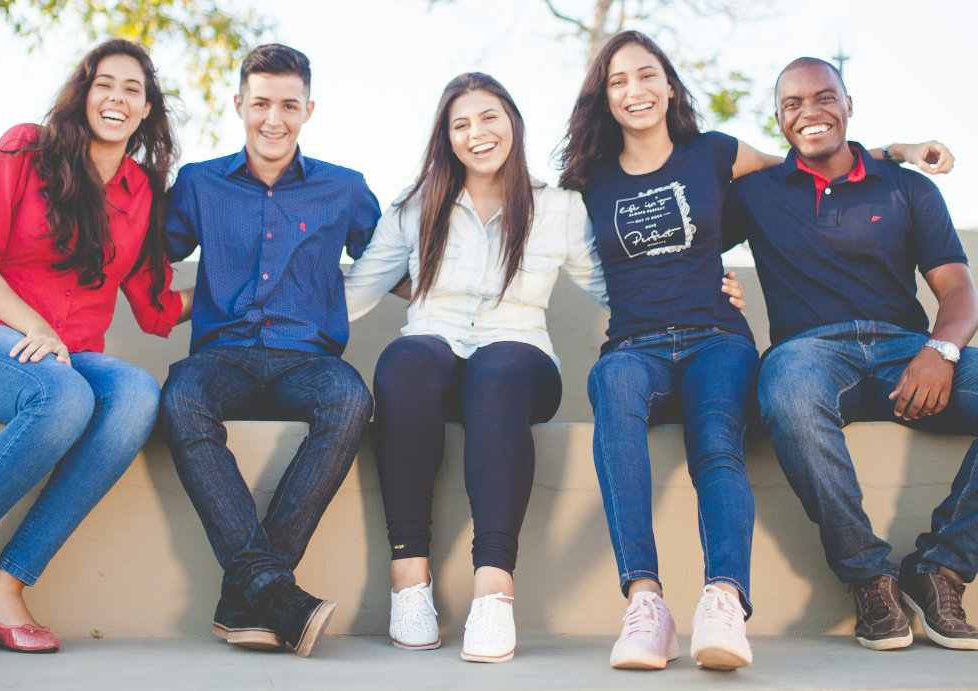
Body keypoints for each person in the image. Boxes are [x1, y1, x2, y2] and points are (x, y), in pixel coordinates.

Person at [557, 31, 951, 671]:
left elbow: (810, 162)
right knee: (614, 394)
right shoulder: (586, 181)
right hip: (634, 344)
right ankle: (646, 603)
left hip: (717, 337)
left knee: (716, 438)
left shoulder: (714, 154)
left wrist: (897, 151)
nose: (636, 90)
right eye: (619, 81)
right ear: (603, 97)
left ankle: (723, 601)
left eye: (648, 75)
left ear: (670, 85)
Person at [342, 72, 610, 663]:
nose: (477, 133)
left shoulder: (559, 209)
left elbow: (613, 288)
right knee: (405, 359)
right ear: (447, 138)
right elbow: (354, 294)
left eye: (488, 117)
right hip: (433, 353)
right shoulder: (415, 209)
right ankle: (410, 583)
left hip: (519, 359)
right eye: (460, 124)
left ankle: (494, 591)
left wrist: (698, 294)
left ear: (512, 120)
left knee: (498, 370)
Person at [723, 57, 978, 652]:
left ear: (848, 105)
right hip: (808, 354)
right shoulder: (755, 193)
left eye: (823, 98)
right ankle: (869, 578)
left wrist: (941, 350)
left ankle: (940, 567)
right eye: (792, 104)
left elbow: (958, 290)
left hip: (908, 354)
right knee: (785, 393)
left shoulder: (908, 186)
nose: (809, 112)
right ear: (779, 120)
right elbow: (683, 221)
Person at [0, 39, 190, 655]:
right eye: (104, 83)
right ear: (84, 93)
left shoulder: (142, 192)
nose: (116, 97)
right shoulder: (25, 147)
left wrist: (252, 290)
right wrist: (33, 325)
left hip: (70, 353)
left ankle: (3, 589)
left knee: (137, 394)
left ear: (146, 110)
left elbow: (155, 306)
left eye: (132, 89)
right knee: (62, 398)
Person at [158, 44, 380, 658]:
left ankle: (250, 593)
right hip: (221, 356)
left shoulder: (345, 188)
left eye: (288, 105)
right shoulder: (200, 183)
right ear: (239, 105)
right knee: (180, 397)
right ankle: (275, 592)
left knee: (350, 399)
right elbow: (146, 252)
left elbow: (400, 258)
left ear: (309, 108)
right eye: (260, 104)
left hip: (308, 360)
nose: (273, 120)